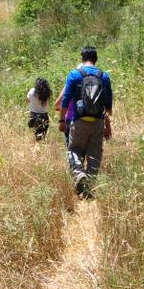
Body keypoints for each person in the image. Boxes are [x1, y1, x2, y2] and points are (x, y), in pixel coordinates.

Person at [59, 46, 113, 197]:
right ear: (96, 59)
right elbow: (108, 105)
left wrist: (61, 120)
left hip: (78, 121)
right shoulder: (104, 76)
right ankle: (88, 188)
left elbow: (65, 100)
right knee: (95, 155)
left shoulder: (74, 75)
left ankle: (79, 173)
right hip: (97, 122)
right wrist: (108, 126)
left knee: (74, 149)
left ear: (82, 59)